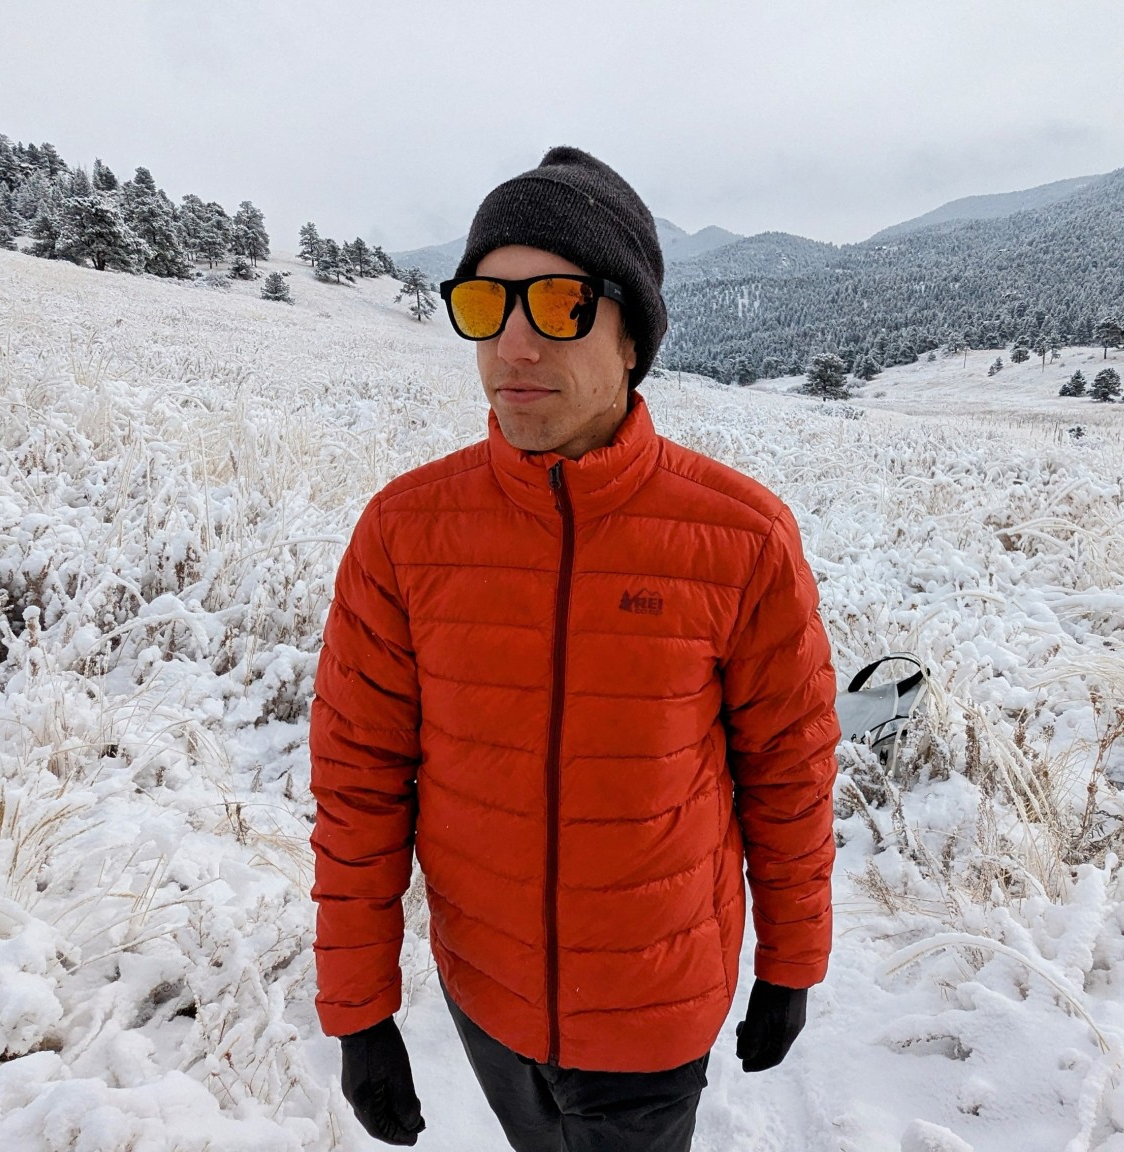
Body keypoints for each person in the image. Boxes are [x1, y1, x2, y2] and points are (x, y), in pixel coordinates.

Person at [309, 145, 839, 1151]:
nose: (512, 345)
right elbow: (359, 781)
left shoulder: (739, 537)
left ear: (632, 337)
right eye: (485, 304)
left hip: (654, 1013)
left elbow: (788, 769)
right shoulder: (404, 532)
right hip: (487, 999)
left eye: (559, 305)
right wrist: (359, 1010)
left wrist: (791, 961)